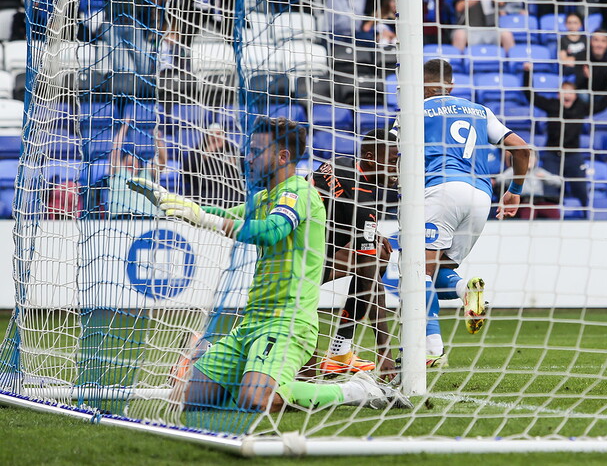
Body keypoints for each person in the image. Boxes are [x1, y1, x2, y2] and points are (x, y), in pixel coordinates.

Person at [129, 118, 407, 412]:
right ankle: (241, 369)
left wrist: (204, 218)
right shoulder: (265, 197)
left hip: (288, 321)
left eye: (256, 151)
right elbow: (227, 215)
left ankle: (355, 389)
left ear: (282, 156)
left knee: (257, 399)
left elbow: (272, 231)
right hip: (253, 322)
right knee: (184, 398)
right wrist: (177, 203)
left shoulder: (298, 192)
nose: (248, 158)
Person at [393, 59, 530, 364]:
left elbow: (391, 155)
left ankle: (431, 349)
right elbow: (521, 148)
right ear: (451, 85)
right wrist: (515, 191)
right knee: (440, 270)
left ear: (418, 85)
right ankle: (464, 290)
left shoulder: (413, 112)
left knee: (418, 272)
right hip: (481, 196)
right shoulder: (481, 111)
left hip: (440, 191)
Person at [310, 130, 400, 377]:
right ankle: (322, 356)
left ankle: (339, 352)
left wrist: (370, 232)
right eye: (392, 161)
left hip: (299, 252)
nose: (397, 169)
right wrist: (384, 352)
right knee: (371, 264)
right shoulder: (363, 201)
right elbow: (370, 278)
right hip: (301, 268)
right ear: (370, 158)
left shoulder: (339, 163)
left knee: (378, 254)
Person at [524, 63, 607, 208]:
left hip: (573, 155)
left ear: (575, 95)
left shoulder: (581, 108)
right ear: (558, 95)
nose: (567, 95)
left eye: (570, 92)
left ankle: (585, 214)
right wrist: (527, 73)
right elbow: (530, 95)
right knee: (548, 192)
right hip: (552, 155)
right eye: (564, 92)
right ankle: (549, 216)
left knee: (581, 189)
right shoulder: (552, 105)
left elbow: (602, 104)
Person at [108, 119, 167, 217]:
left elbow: (162, 161)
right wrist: (125, 126)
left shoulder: (146, 173)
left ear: (139, 165)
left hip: (149, 218)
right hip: (122, 217)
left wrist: (158, 139)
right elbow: (115, 152)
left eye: (134, 163)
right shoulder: (118, 172)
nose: (131, 165)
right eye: (128, 163)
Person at [181, 123, 245, 208]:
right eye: (211, 135)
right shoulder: (198, 151)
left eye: (218, 134)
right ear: (206, 137)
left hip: (231, 192)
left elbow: (245, 171)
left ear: (224, 136)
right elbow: (187, 171)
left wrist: (236, 163)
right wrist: (207, 153)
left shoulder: (234, 151)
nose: (215, 137)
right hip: (205, 192)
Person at [492, 149, 563, 219]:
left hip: (539, 201)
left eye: (532, 156)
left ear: (536, 159)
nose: (529, 159)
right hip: (523, 202)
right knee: (528, 213)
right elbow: (499, 180)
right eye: (527, 156)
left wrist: (545, 177)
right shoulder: (514, 171)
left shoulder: (538, 171)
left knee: (553, 212)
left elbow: (559, 182)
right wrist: (514, 175)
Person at [558, 12, 588, 78]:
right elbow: (564, 60)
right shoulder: (562, 40)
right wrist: (580, 61)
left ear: (580, 24)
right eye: (569, 23)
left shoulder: (586, 39)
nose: (572, 26)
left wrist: (572, 59)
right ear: (565, 24)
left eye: (575, 23)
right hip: (569, 71)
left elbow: (588, 58)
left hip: (584, 70)